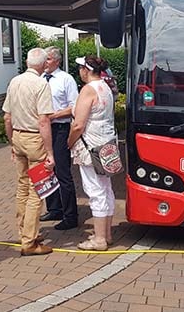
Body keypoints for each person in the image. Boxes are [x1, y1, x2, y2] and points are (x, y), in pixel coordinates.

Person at [3, 48, 56, 256]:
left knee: (22, 187)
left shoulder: (14, 81)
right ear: (44, 65)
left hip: (17, 135)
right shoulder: (41, 84)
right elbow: (44, 120)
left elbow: (6, 117)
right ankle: (30, 241)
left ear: (26, 62)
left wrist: (12, 143)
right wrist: (50, 152)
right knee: (37, 190)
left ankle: (23, 230)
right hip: (35, 138)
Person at [68, 56, 117, 251]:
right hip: (107, 144)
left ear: (85, 70)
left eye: (80, 67)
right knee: (106, 188)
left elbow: (78, 124)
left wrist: (69, 143)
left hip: (91, 146)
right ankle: (106, 233)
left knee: (95, 190)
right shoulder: (106, 86)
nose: (79, 71)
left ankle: (99, 239)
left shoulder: (88, 90)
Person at [39, 47, 79, 230]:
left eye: (47, 59)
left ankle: (70, 215)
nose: (44, 62)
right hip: (43, 129)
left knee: (62, 171)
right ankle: (54, 208)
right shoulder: (39, 79)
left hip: (60, 128)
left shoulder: (66, 79)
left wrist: (53, 116)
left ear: (56, 61)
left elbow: (74, 107)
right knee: (47, 170)